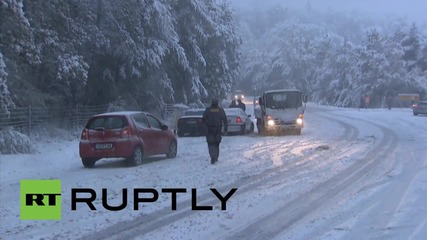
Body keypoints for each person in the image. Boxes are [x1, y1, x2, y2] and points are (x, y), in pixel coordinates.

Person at [202, 99, 228, 164]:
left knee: (210, 144)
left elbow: (203, 120)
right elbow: (225, 120)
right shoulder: (220, 110)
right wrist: (225, 130)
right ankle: (215, 157)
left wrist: (205, 129)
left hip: (209, 130)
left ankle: (213, 157)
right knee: (216, 144)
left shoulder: (208, 110)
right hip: (218, 130)